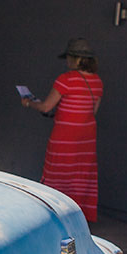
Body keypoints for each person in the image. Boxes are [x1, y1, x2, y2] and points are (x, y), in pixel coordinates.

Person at [22, 37, 103, 223]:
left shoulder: (65, 80)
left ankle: (56, 215)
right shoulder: (97, 82)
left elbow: (46, 107)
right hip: (87, 139)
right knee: (80, 176)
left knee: (58, 175)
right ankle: (79, 217)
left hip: (65, 137)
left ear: (75, 59)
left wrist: (28, 103)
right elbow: (92, 110)